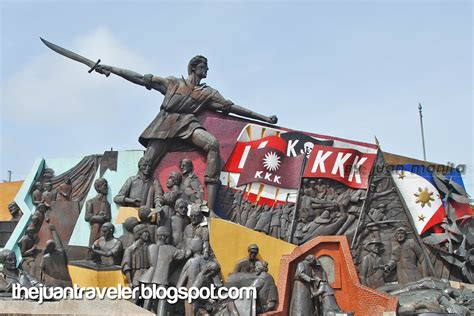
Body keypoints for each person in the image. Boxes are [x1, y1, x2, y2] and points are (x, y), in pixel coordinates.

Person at [95, 56, 278, 216]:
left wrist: (264, 118)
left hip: (187, 126)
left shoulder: (207, 92)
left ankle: (211, 206)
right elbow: (141, 78)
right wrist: (110, 69)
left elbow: (232, 108)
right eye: (204, 66)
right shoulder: (173, 83)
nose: (207, 70)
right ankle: (134, 206)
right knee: (146, 164)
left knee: (212, 145)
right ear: (194, 68)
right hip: (164, 126)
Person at [85, 178, 111, 246]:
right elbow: (87, 217)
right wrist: (100, 217)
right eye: (105, 186)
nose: (107, 188)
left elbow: (108, 217)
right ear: (98, 187)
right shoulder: (90, 202)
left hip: (105, 231)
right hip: (95, 230)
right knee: (92, 249)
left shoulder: (107, 203)